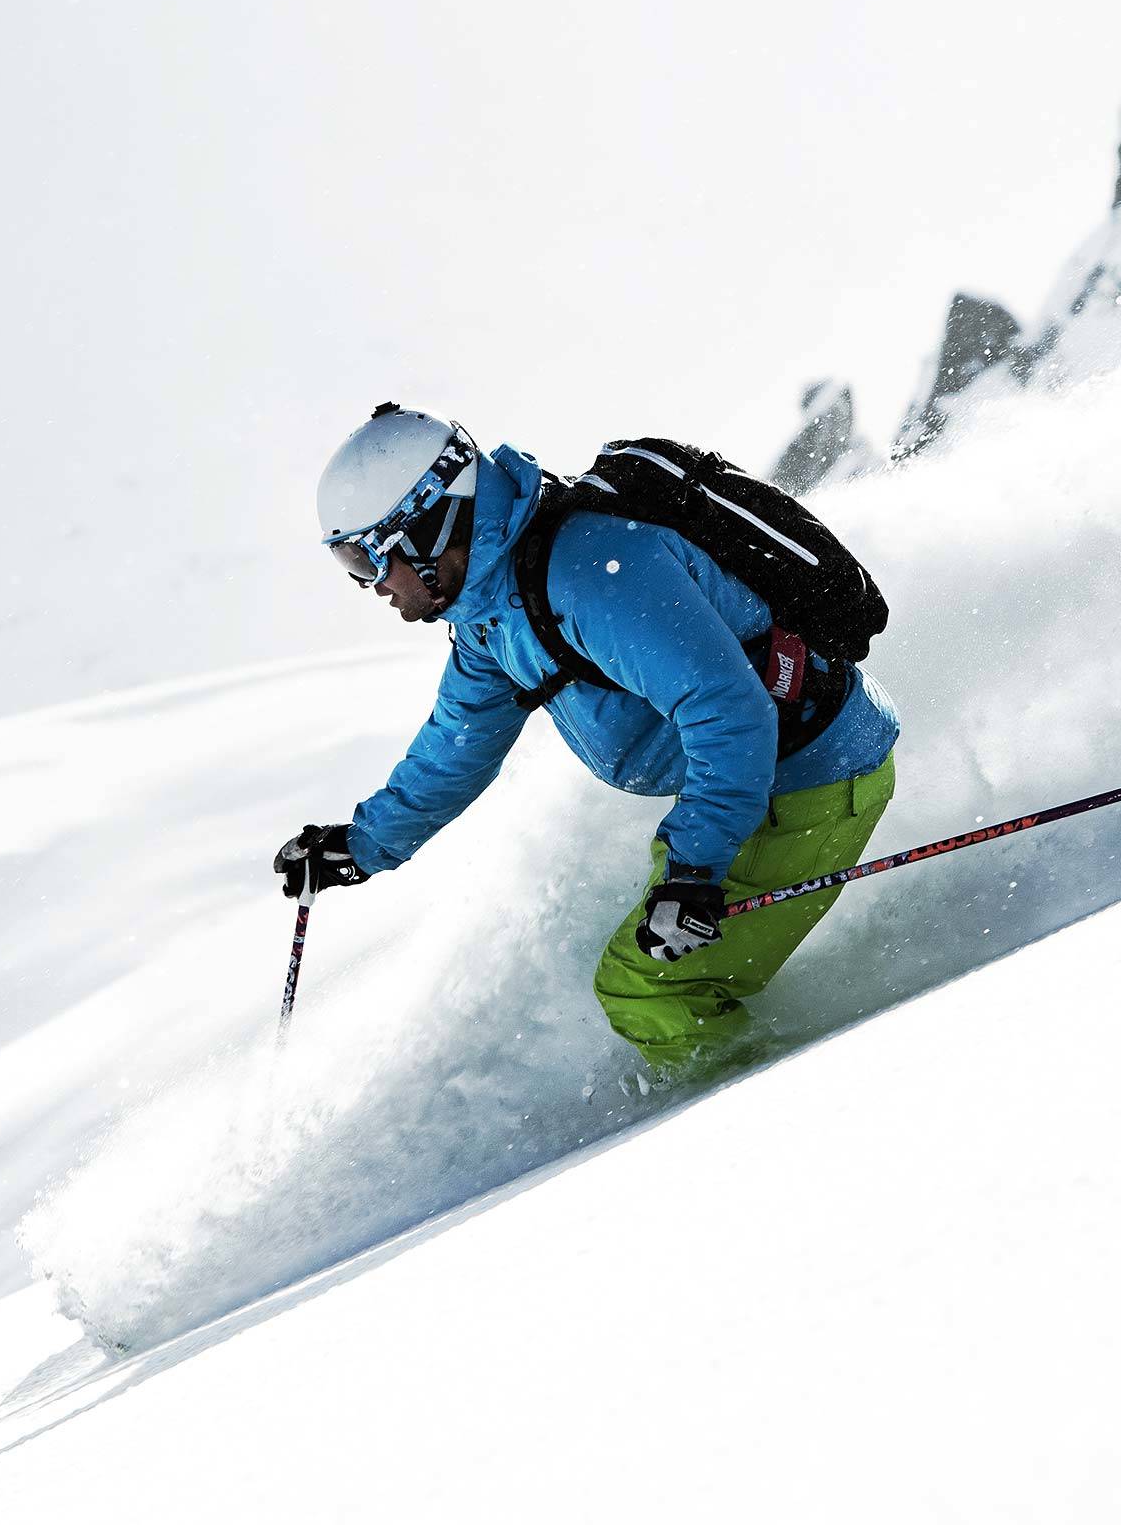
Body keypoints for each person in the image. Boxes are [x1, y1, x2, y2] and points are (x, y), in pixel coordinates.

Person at [275, 405, 900, 1077]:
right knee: (644, 961)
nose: (371, 586)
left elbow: (729, 711)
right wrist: (361, 845)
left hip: (821, 778)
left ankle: (781, 1115)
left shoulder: (586, 572)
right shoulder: (492, 613)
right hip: (757, 787)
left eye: (368, 557)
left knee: (646, 987)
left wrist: (693, 873)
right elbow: (456, 745)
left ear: (429, 524)